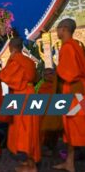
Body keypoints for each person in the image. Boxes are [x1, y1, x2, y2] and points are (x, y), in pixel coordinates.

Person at [0, 38, 40, 172]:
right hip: (30, 93)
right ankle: (30, 162)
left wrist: (10, 60)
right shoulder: (29, 61)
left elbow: (4, 76)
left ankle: (32, 165)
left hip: (22, 96)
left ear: (11, 47)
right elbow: (36, 77)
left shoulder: (15, 60)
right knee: (31, 129)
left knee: (25, 130)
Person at [53, 18, 85, 172]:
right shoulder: (76, 46)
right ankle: (69, 162)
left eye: (58, 28)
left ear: (64, 29)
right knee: (72, 128)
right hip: (78, 90)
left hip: (73, 91)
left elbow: (69, 74)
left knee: (75, 127)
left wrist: (58, 71)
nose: (57, 32)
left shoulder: (68, 47)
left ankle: (70, 163)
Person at [38, 68, 62, 157]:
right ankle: (45, 148)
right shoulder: (43, 86)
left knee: (55, 132)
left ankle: (53, 147)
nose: (50, 75)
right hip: (45, 114)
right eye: (47, 74)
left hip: (55, 113)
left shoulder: (58, 86)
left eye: (51, 73)